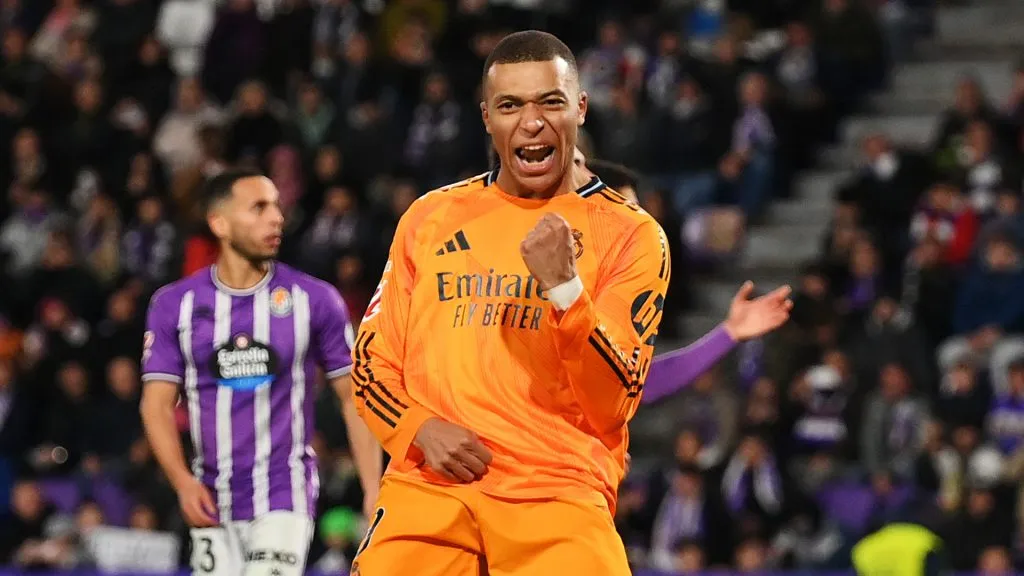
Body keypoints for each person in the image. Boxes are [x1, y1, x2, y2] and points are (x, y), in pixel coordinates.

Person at [349, 31, 791, 576]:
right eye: (510, 105)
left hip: (556, 494)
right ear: (487, 117)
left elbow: (617, 399)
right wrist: (416, 426)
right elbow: (371, 363)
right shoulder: (429, 218)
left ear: (579, 109)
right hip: (431, 486)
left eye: (550, 102)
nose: (531, 122)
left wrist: (566, 292)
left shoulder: (631, 235)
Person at [139, 169, 382, 576]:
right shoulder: (174, 305)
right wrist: (181, 481)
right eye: (258, 208)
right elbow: (156, 405)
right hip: (211, 499)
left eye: (276, 206)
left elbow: (353, 398)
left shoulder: (315, 299)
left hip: (284, 496)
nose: (276, 218)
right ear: (220, 224)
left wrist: (373, 488)